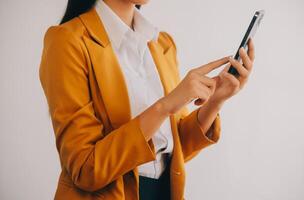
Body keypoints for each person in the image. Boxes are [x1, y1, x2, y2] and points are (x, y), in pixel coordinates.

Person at [38, 0, 255, 199]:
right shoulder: (67, 40)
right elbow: (85, 169)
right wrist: (165, 106)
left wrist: (216, 101)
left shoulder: (161, 43)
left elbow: (174, 151)